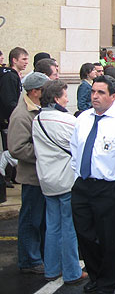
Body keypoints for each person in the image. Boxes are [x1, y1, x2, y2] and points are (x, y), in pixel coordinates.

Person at [70, 75, 115, 294]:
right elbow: (74, 149)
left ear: (113, 96)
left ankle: (106, 284)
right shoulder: (83, 118)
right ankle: (95, 275)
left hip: (108, 187)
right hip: (82, 186)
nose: (94, 96)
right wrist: (76, 176)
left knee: (109, 239)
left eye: (100, 92)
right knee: (85, 235)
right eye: (93, 92)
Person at [32, 80, 87, 285]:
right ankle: (72, 271)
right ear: (56, 98)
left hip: (46, 179)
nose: (67, 99)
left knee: (52, 226)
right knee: (69, 227)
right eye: (65, 95)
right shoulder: (66, 121)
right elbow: (79, 147)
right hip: (65, 179)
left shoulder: (37, 120)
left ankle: (52, 269)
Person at [9, 72, 49, 274]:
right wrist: (44, 152)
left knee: (39, 219)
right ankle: (30, 260)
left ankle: (37, 256)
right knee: (31, 219)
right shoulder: (22, 114)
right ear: (35, 92)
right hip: (32, 177)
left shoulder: (35, 109)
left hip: (41, 175)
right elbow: (16, 147)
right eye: (45, 90)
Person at [0, 47, 29, 187]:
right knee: (9, 148)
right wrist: (16, 115)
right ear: (14, 60)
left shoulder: (15, 76)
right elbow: (8, 100)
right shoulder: (9, 76)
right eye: (23, 59)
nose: (26, 62)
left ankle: (11, 177)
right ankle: (5, 177)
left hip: (11, 118)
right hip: (8, 119)